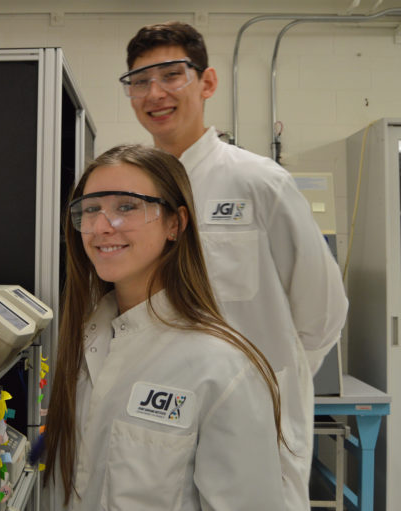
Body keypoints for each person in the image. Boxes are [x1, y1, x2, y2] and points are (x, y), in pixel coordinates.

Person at [121, 21, 349, 511]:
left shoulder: (259, 183)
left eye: (170, 75)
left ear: (207, 83)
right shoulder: (135, 193)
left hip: (254, 421)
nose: (154, 93)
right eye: (139, 81)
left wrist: (265, 385)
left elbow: (323, 311)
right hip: (162, 415)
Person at [43, 144, 286, 510]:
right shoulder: (83, 342)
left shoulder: (222, 367)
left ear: (176, 223)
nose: (101, 227)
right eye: (91, 209)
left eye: (126, 206)